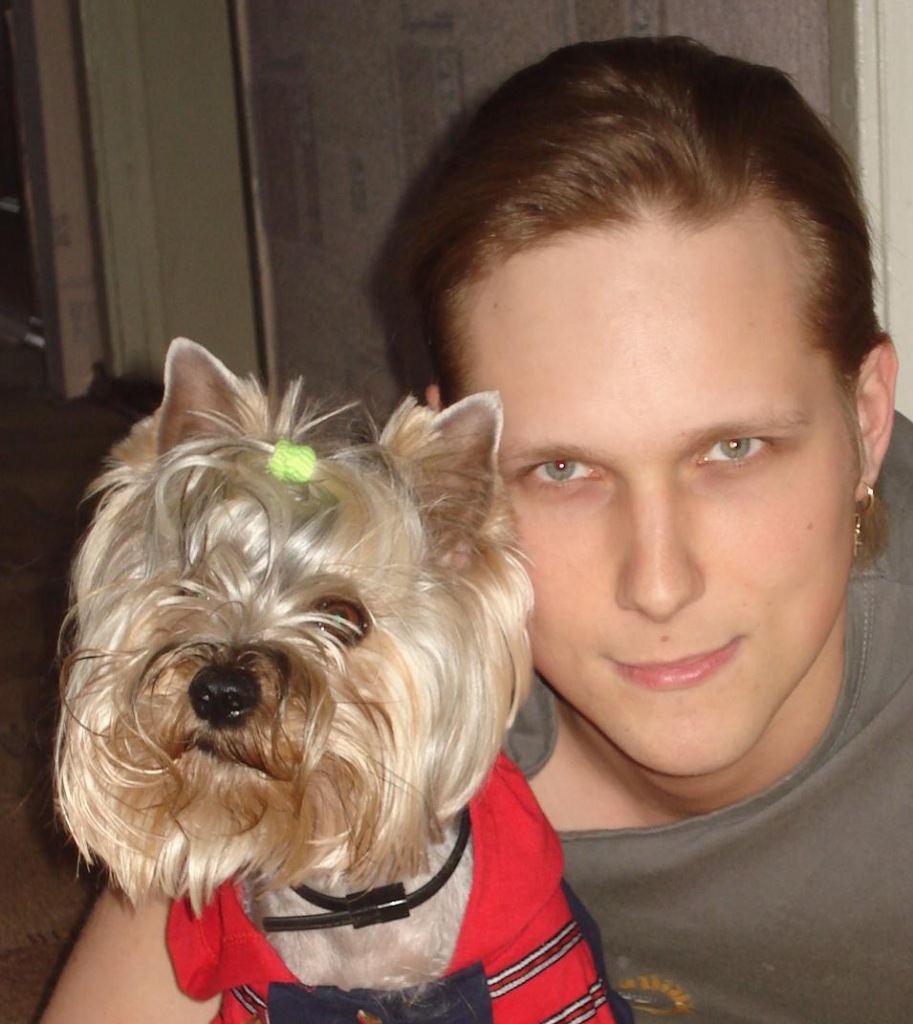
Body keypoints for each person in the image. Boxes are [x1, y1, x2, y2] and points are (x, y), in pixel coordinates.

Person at [41, 36, 907, 1023]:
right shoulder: (388, 677)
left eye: (734, 448)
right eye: (562, 469)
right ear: (452, 497)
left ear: (866, 422)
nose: (658, 581)